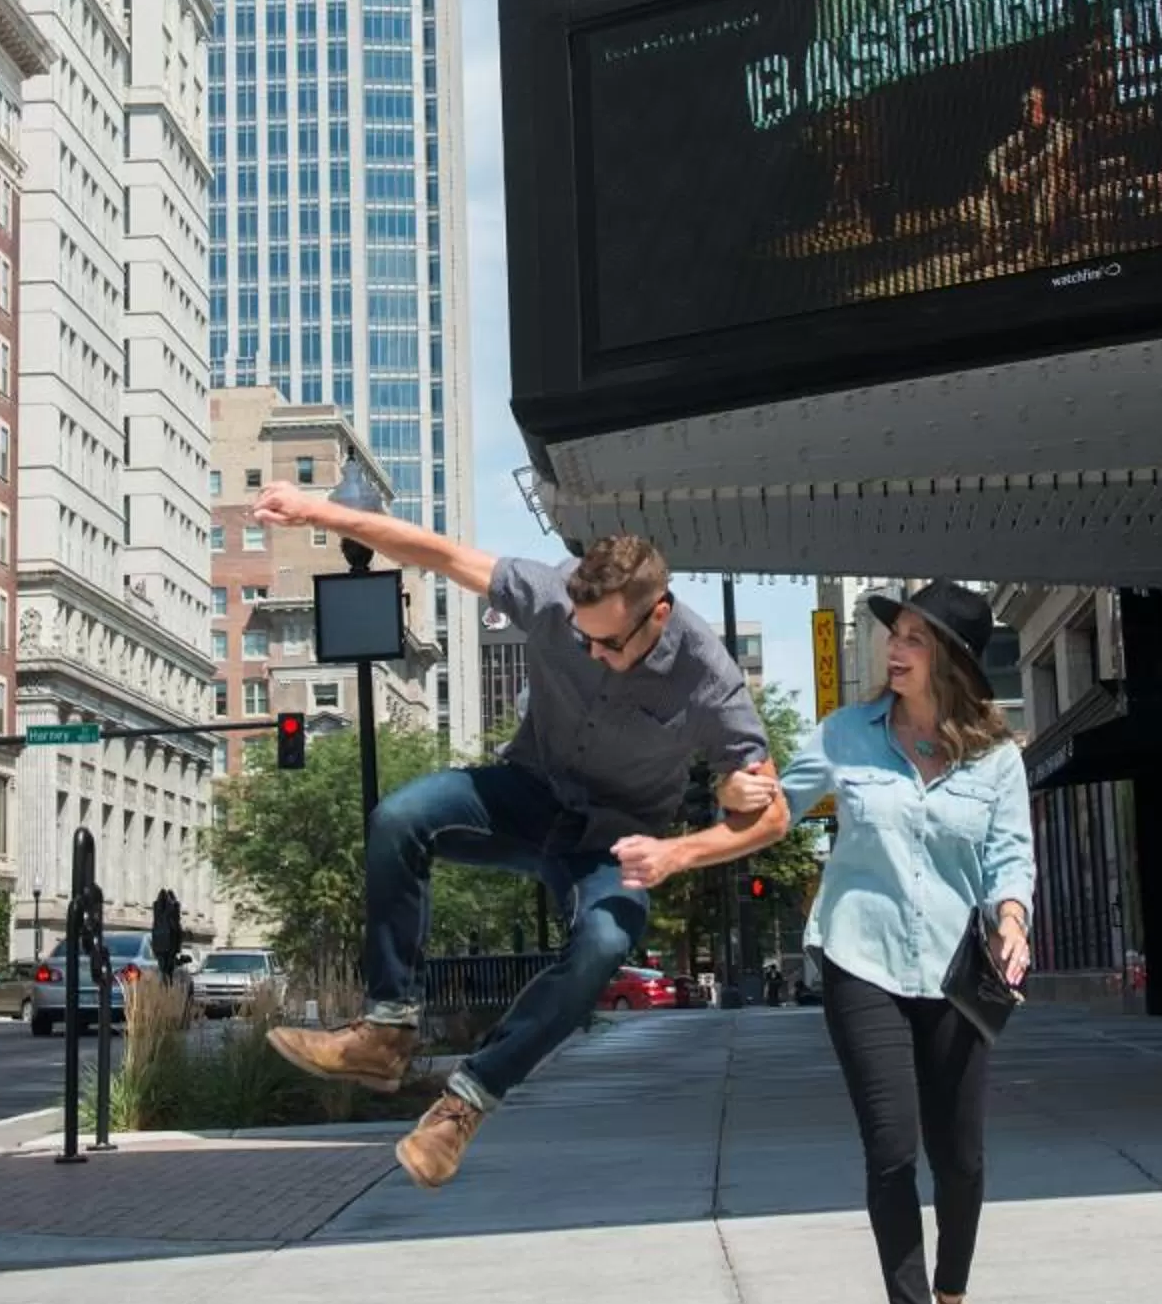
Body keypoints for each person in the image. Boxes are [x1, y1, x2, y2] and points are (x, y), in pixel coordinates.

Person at [255, 483, 789, 1190]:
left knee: (603, 944)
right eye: (582, 635)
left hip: (617, 843)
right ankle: (385, 1032)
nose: (591, 650)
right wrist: (318, 513)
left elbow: (770, 814)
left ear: (657, 615)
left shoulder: (708, 677)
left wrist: (684, 846)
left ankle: (462, 1108)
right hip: (528, 796)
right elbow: (438, 553)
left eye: (608, 642)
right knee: (398, 818)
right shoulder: (550, 598)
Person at [773, 581, 1033, 1304]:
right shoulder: (848, 733)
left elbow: (1010, 858)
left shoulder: (995, 756)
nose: (896, 647)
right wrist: (737, 800)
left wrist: (1013, 918)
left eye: (916, 637)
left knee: (959, 1161)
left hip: (957, 970)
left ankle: (952, 1292)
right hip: (861, 959)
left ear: (950, 659)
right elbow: (779, 802)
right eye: (897, 632)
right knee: (892, 1152)